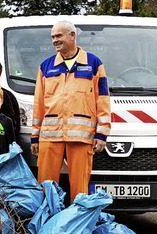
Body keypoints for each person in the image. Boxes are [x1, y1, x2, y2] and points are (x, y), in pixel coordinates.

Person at [31, 20, 110, 201]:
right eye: (53, 37)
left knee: (80, 190)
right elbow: (39, 103)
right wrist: (35, 137)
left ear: (72, 35)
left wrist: (102, 134)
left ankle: (78, 224)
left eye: (58, 36)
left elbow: (103, 100)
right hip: (50, 136)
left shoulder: (94, 63)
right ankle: (46, 224)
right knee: (45, 186)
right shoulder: (45, 66)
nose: (54, 41)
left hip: (82, 137)